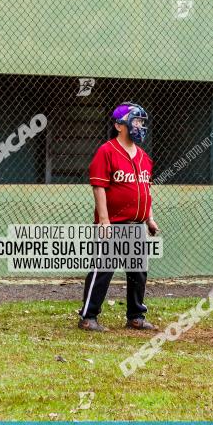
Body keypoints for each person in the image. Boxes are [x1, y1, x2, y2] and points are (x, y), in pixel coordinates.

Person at [78, 102, 160, 332]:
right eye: (135, 121)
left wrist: (149, 218)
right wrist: (104, 221)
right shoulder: (107, 151)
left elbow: (146, 190)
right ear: (119, 125)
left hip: (136, 225)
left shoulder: (144, 157)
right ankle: (88, 316)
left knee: (138, 271)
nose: (140, 126)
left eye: (142, 122)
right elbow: (99, 187)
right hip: (114, 224)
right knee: (103, 269)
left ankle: (136, 316)